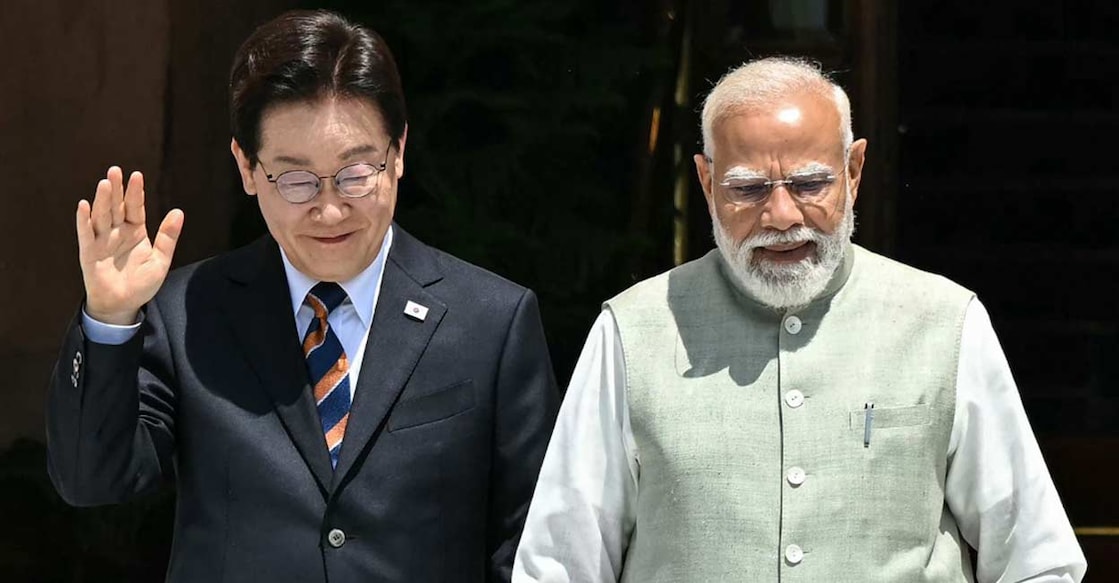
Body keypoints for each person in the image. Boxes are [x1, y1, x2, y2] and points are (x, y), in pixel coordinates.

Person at [512, 57, 1086, 582]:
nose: (781, 215)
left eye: (810, 183)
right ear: (708, 183)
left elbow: (1037, 559)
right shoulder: (632, 330)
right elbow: (560, 565)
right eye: (747, 188)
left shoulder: (944, 322)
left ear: (854, 170)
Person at [46, 9, 559, 582]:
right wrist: (112, 318)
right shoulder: (189, 312)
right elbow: (91, 481)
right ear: (246, 166)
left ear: (400, 151)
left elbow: (531, 544)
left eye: (356, 172)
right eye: (294, 179)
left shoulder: (491, 321)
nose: (330, 207)